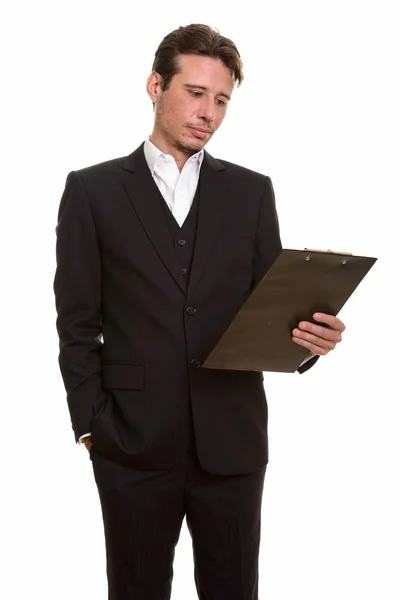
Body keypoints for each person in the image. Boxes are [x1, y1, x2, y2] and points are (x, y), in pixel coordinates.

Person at [53, 23, 345, 600]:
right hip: (132, 443)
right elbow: (76, 320)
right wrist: (92, 425)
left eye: (221, 100)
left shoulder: (252, 193)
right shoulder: (92, 191)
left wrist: (309, 340)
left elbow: (272, 310)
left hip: (232, 442)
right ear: (155, 85)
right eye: (194, 93)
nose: (208, 112)